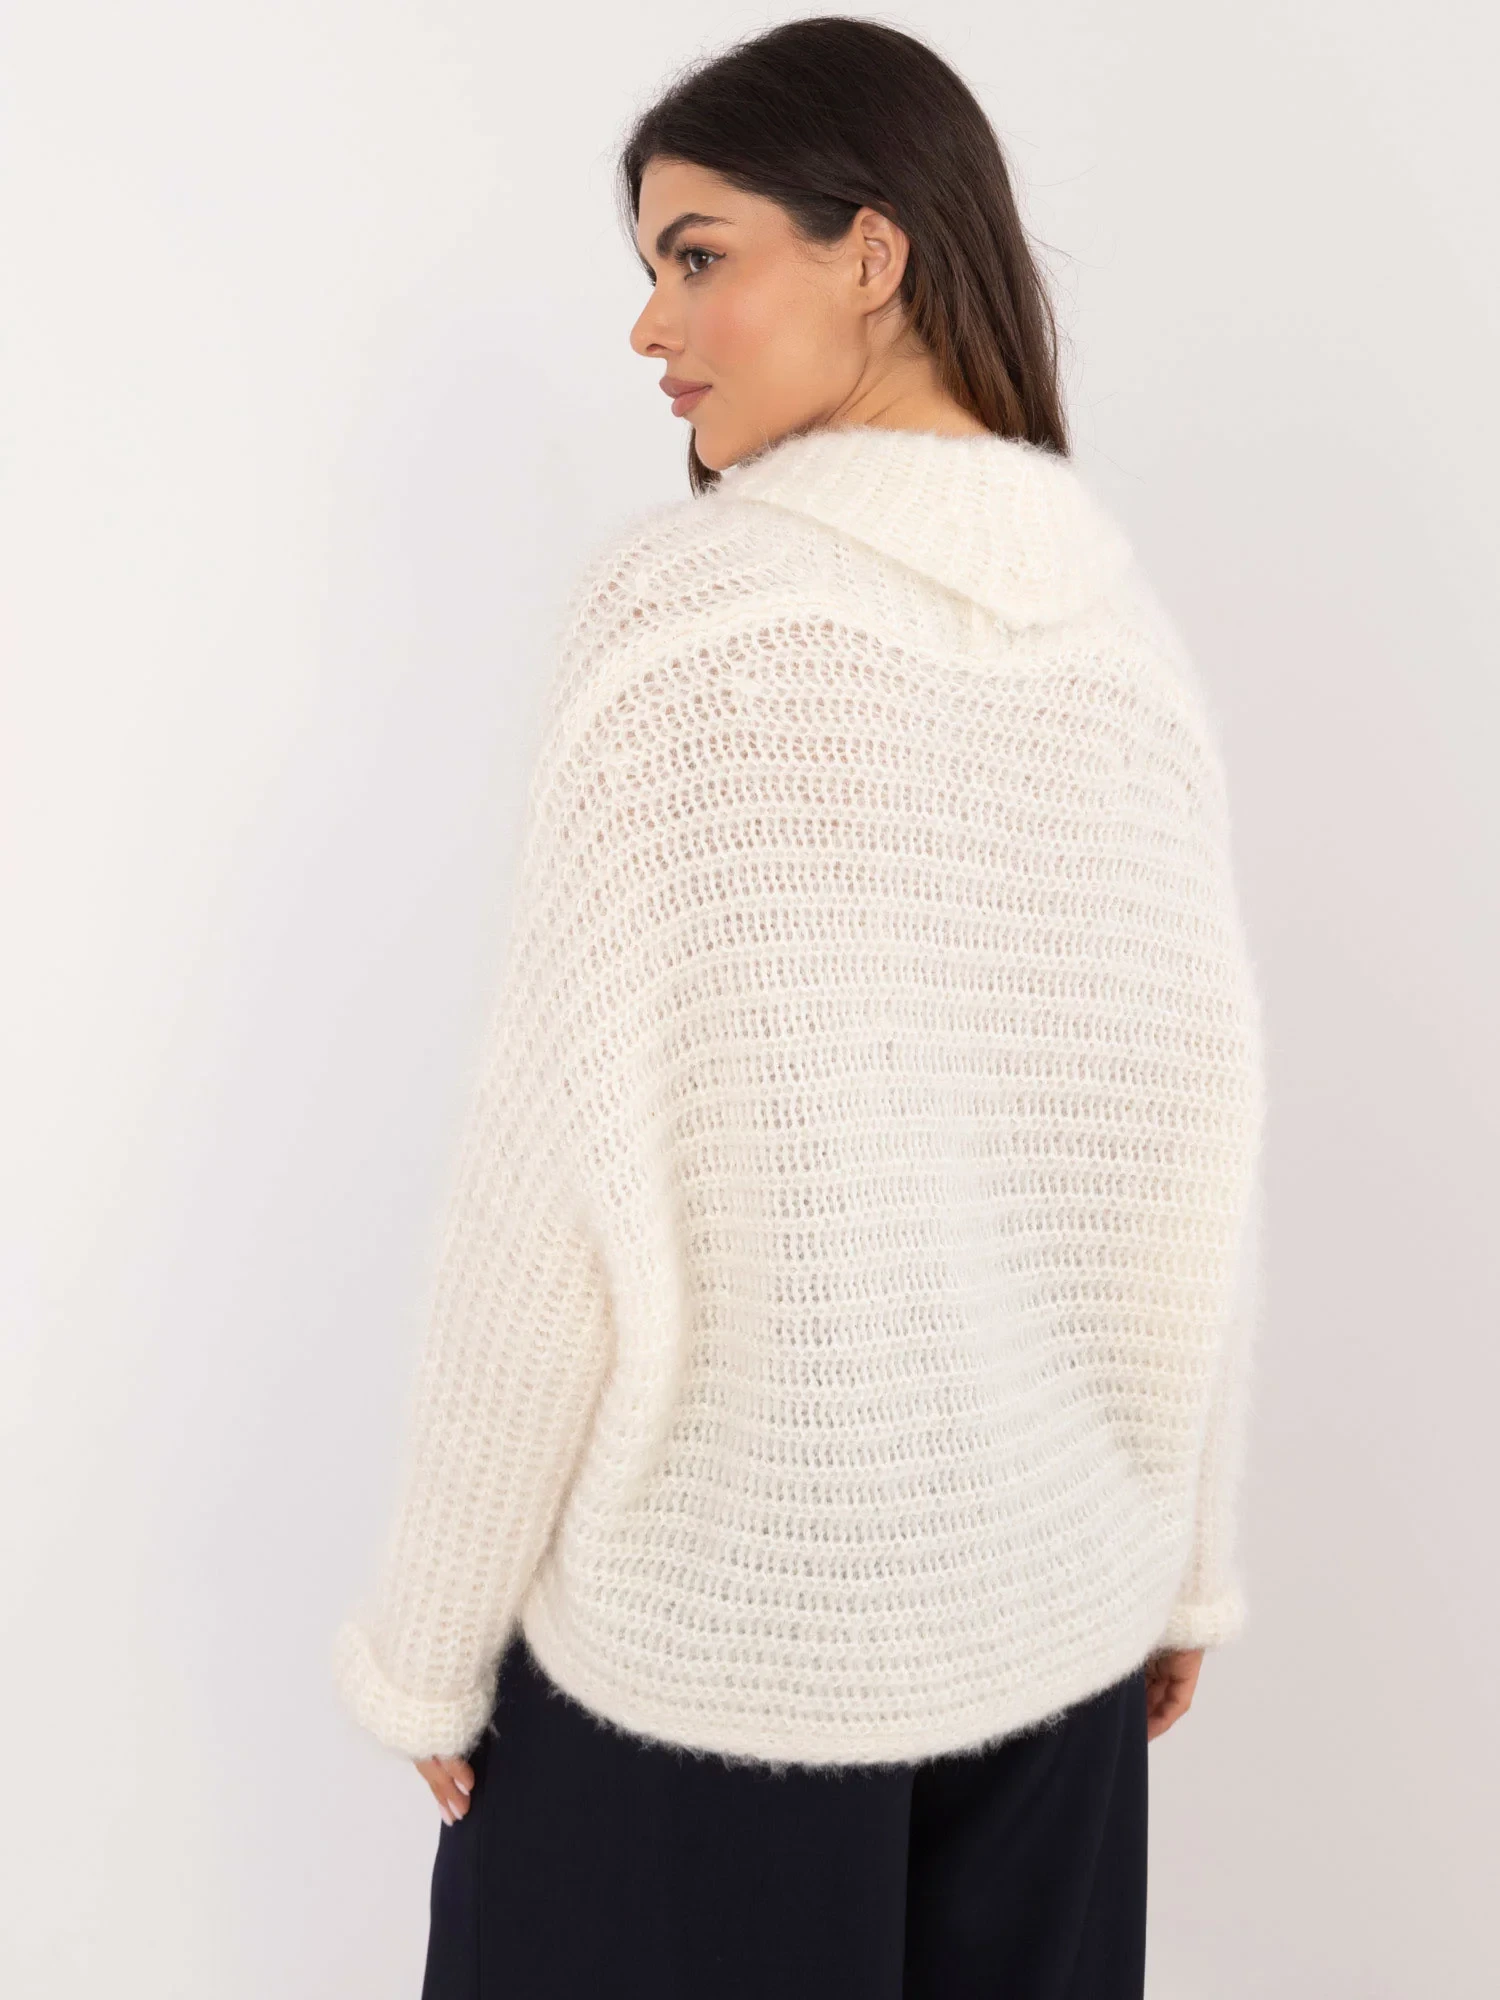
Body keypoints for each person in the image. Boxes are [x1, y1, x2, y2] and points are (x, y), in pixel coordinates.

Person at [331, 18, 1267, 1998]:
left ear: (876, 251)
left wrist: (427, 1631)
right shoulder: (1126, 645)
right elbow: (1195, 1150)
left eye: (699, 254)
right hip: (1054, 1644)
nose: (650, 327)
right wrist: (1186, 1556)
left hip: (715, 1661)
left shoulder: (687, 623)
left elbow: (551, 1192)